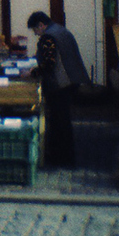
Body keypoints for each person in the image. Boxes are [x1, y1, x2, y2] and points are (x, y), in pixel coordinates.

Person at [27, 11, 90, 168]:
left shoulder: (48, 37)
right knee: (64, 120)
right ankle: (66, 156)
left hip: (60, 84)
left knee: (58, 121)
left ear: (41, 25)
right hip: (71, 80)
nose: (35, 34)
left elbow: (49, 63)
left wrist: (32, 72)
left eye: (35, 30)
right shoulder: (60, 30)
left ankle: (60, 158)